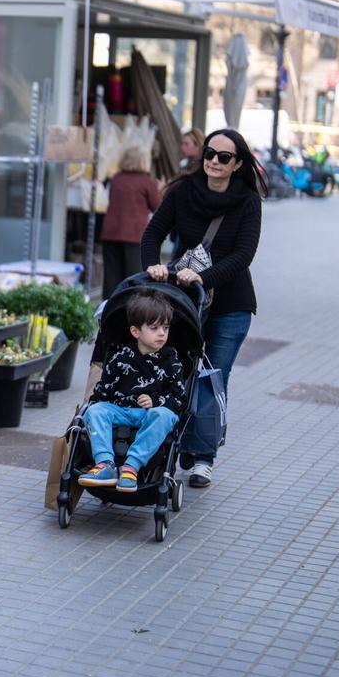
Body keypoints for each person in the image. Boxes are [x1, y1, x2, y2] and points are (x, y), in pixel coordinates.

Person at [140, 128, 264, 489]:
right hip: (184, 303)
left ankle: (203, 458)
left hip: (230, 305)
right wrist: (154, 267)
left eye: (223, 157)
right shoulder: (183, 191)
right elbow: (153, 235)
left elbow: (244, 255)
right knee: (176, 373)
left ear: (237, 163)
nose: (213, 161)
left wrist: (204, 277)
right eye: (209, 153)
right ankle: (175, 444)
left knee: (212, 379)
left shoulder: (247, 201)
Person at [79, 291, 184, 493]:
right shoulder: (121, 357)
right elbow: (104, 390)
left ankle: (131, 467)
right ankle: (105, 464)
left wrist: (156, 401)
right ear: (136, 332)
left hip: (150, 414)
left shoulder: (171, 362)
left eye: (166, 327)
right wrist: (94, 406)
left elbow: (179, 399)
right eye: (154, 328)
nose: (162, 333)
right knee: (96, 410)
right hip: (122, 410)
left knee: (164, 415)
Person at [100, 146, 161, 299]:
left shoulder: (116, 179)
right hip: (134, 235)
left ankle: (107, 312)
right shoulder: (147, 182)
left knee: (111, 278)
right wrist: (161, 189)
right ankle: (131, 311)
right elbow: (158, 207)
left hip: (111, 233)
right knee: (134, 278)